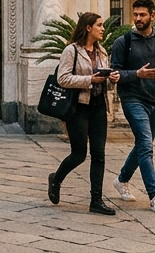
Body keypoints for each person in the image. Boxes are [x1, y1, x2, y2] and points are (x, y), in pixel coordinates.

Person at [47, 12, 119, 216]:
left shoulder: (102, 51)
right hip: (78, 108)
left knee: (99, 154)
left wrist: (111, 77)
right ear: (88, 28)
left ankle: (96, 200)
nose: (103, 29)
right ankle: (56, 179)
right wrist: (89, 80)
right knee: (79, 154)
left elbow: (103, 76)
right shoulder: (72, 51)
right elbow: (63, 78)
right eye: (99, 25)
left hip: (98, 107)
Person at [110, 0, 155, 214]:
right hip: (132, 99)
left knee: (142, 145)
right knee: (146, 146)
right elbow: (115, 74)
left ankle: (121, 180)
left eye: (142, 15)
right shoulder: (124, 41)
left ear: (152, 16)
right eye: (135, 14)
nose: (138, 19)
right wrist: (136, 74)